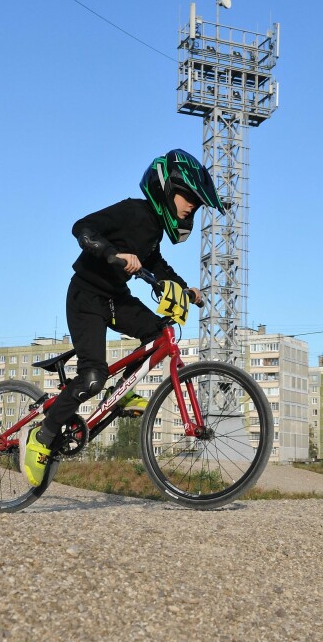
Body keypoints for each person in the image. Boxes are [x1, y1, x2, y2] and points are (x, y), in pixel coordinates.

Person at [22, 149, 223, 486]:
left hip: (114, 298)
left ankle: (124, 390)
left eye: (196, 203)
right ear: (165, 189)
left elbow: (157, 265)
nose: (191, 207)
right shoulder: (132, 210)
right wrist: (112, 253)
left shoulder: (153, 232)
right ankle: (43, 437)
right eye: (187, 197)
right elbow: (83, 228)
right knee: (92, 376)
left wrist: (185, 289)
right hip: (86, 296)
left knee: (159, 332)